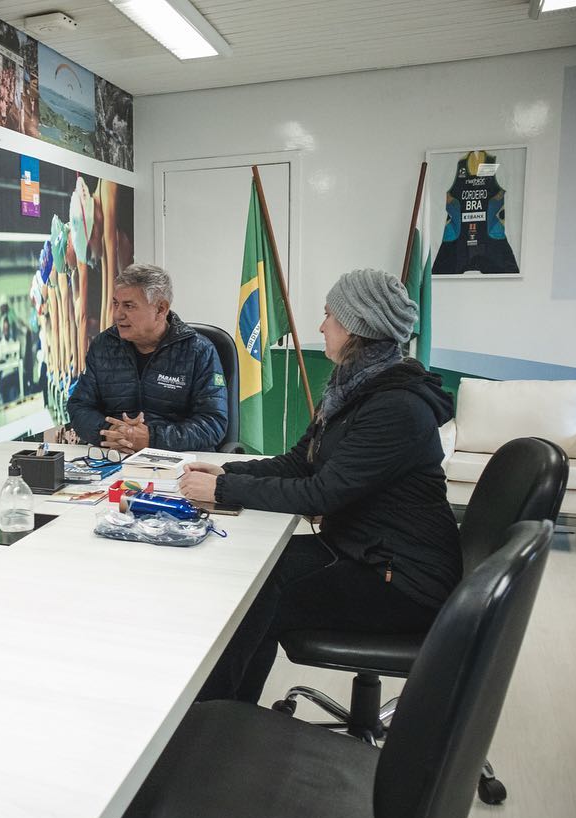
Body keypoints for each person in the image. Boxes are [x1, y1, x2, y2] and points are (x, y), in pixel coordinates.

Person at [180, 269, 462, 704]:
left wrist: (221, 494)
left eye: (329, 315)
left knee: (251, 599)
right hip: (361, 548)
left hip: (401, 580)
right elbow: (300, 462)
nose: (321, 326)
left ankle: (211, 720)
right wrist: (228, 475)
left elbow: (320, 494)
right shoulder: (355, 385)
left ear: (355, 327)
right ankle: (225, 713)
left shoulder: (396, 407)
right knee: (249, 573)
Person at [67, 263, 226, 453]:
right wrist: (109, 432)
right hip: (114, 457)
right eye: (116, 303)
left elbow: (213, 423)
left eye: (129, 306)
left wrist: (152, 438)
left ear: (160, 309)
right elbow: (79, 406)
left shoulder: (199, 350)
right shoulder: (104, 345)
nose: (118, 315)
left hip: (179, 461)